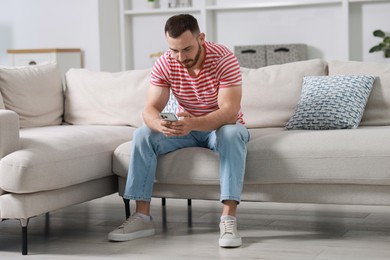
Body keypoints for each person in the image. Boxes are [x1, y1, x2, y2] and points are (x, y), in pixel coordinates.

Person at [108, 14, 249, 248]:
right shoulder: (166, 62)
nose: (181, 57)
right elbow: (150, 109)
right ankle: (142, 217)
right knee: (143, 134)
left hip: (220, 128)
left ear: (201, 38)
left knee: (232, 134)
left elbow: (230, 112)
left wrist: (194, 122)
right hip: (186, 128)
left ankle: (228, 218)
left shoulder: (224, 59)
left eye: (187, 49)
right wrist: (159, 124)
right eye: (174, 50)